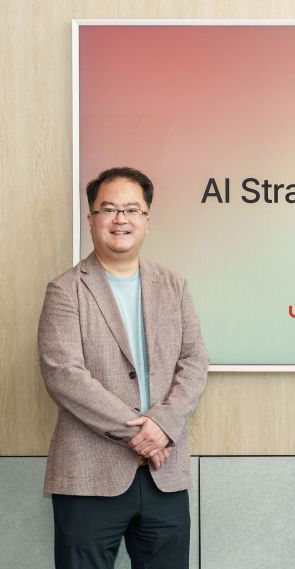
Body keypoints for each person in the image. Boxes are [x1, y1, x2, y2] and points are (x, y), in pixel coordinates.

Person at [38, 167, 209, 568]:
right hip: (89, 475)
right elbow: (64, 374)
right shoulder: (65, 290)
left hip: (164, 477)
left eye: (132, 209)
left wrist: (163, 425)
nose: (121, 219)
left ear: (147, 220)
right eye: (109, 209)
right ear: (91, 218)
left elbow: (195, 361)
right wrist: (143, 434)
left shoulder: (174, 286)